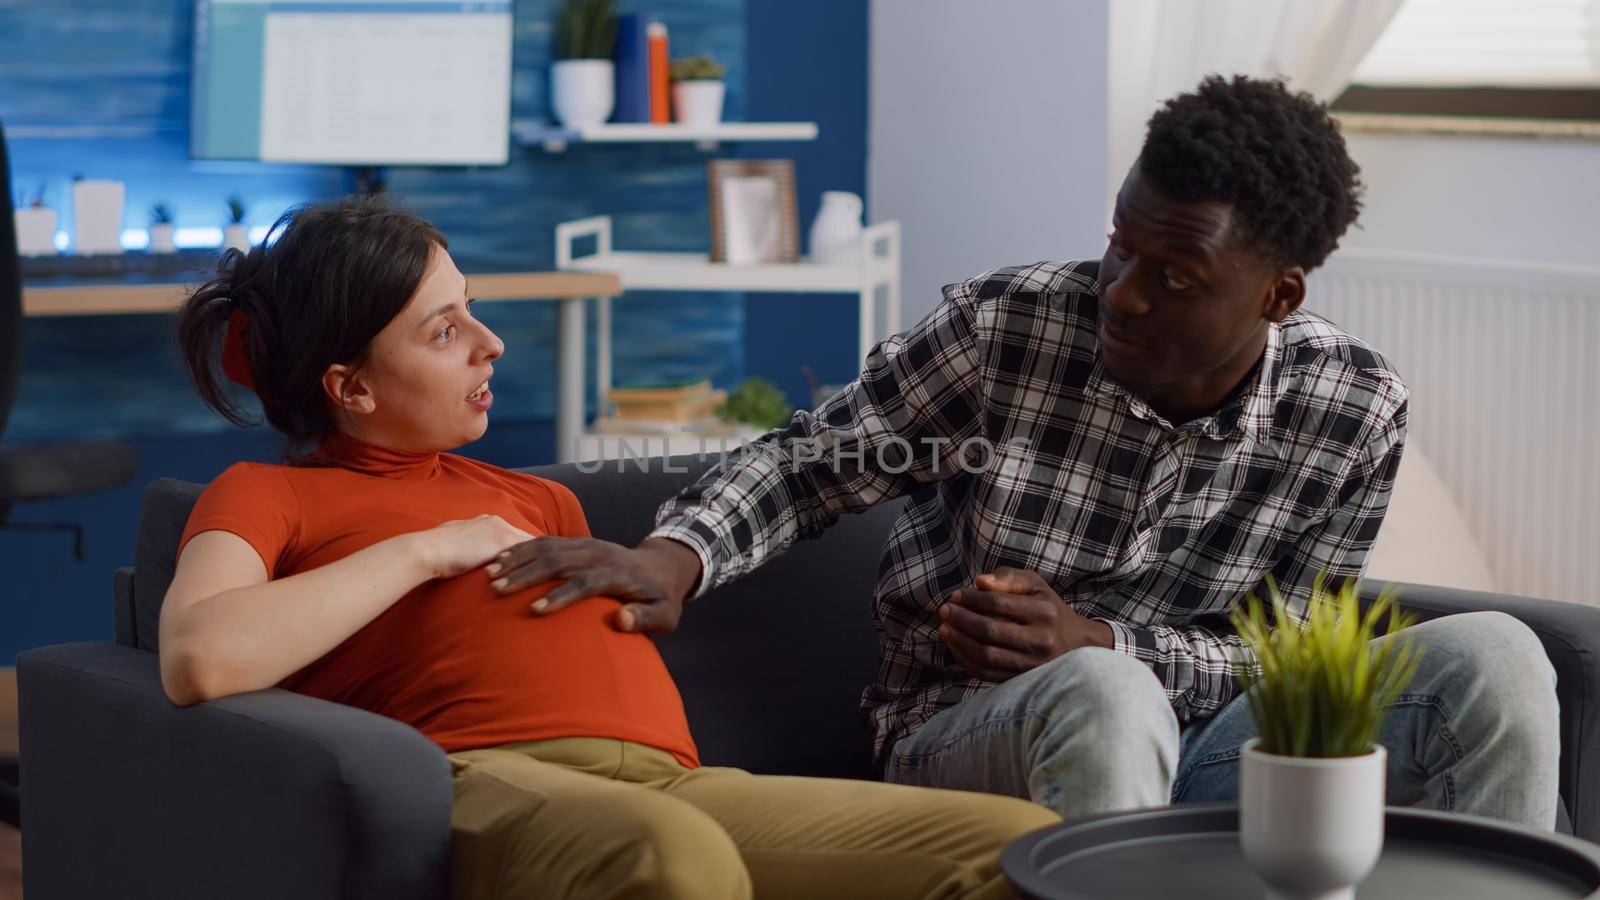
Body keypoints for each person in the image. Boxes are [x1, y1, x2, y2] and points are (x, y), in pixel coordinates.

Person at [497, 75, 1561, 828]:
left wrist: (1103, 635)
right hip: (963, 735)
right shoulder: (1014, 328)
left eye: (1175, 277)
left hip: (1223, 750)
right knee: (1102, 695)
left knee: (1499, 659)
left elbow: (1297, 650)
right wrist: (673, 555)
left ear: (1278, 296)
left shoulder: (1351, 408)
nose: (1123, 294)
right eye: (1118, 245)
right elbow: (811, 461)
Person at [161, 197, 1059, 900]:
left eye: (472, 311)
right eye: (445, 332)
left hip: (682, 787)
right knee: (667, 856)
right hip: (487, 784)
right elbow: (201, 657)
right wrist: (428, 551)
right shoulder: (266, 493)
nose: (490, 344)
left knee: (1019, 847)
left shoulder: (536, 499)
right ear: (348, 386)